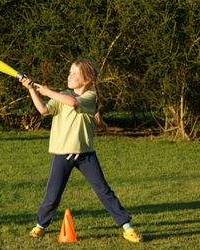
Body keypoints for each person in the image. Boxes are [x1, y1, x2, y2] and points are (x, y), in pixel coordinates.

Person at [20, 59, 142, 243]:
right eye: (70, 72)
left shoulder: (90, 97)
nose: (70, 76)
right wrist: (32, 90)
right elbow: (44, 110)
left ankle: (128, 227)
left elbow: (72, 102)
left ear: (87, 80)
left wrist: (47, 91)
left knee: (104, 191)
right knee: (52, 195)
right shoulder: (60, 95)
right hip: (62, 154)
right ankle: (40, 226)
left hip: (86, 155)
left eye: (75, 73)